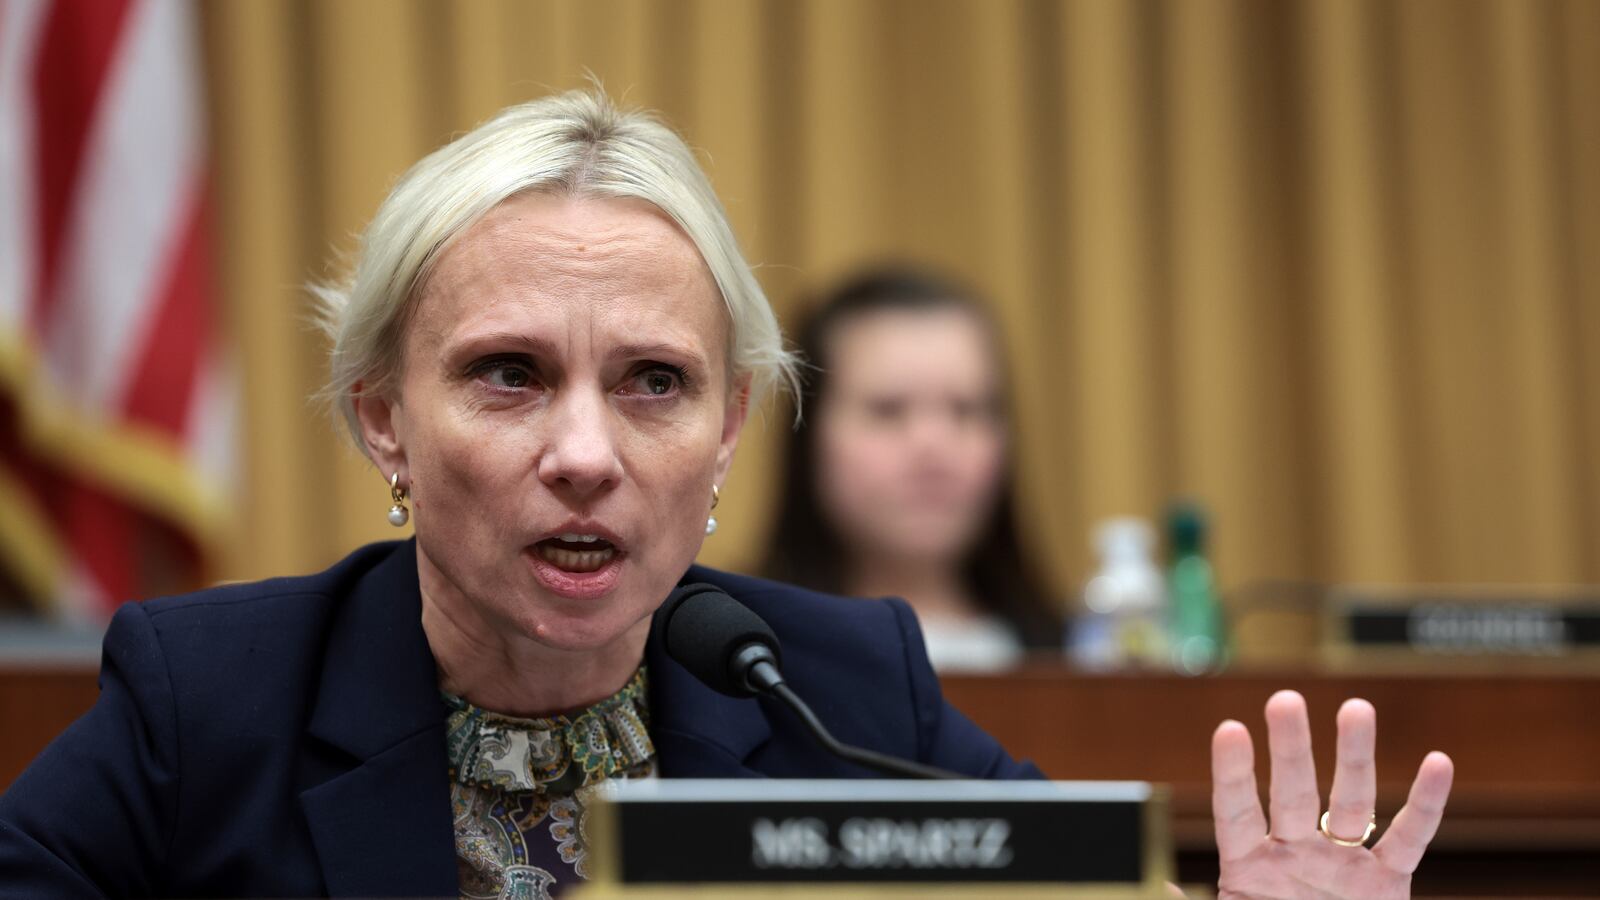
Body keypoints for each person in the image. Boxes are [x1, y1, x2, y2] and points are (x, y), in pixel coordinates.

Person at [0, 89, 1453, 899]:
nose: (586, 452)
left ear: (732, 427)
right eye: (509, 374)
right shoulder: (210, 701)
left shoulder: (844, 692)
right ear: (383, 418)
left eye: (653, 382)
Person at [761, 269, 1060, 671]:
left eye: (966, 409)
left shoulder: (1076, 658)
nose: (933, 446)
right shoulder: (741, 653)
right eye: (888, 409)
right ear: (809, 435)